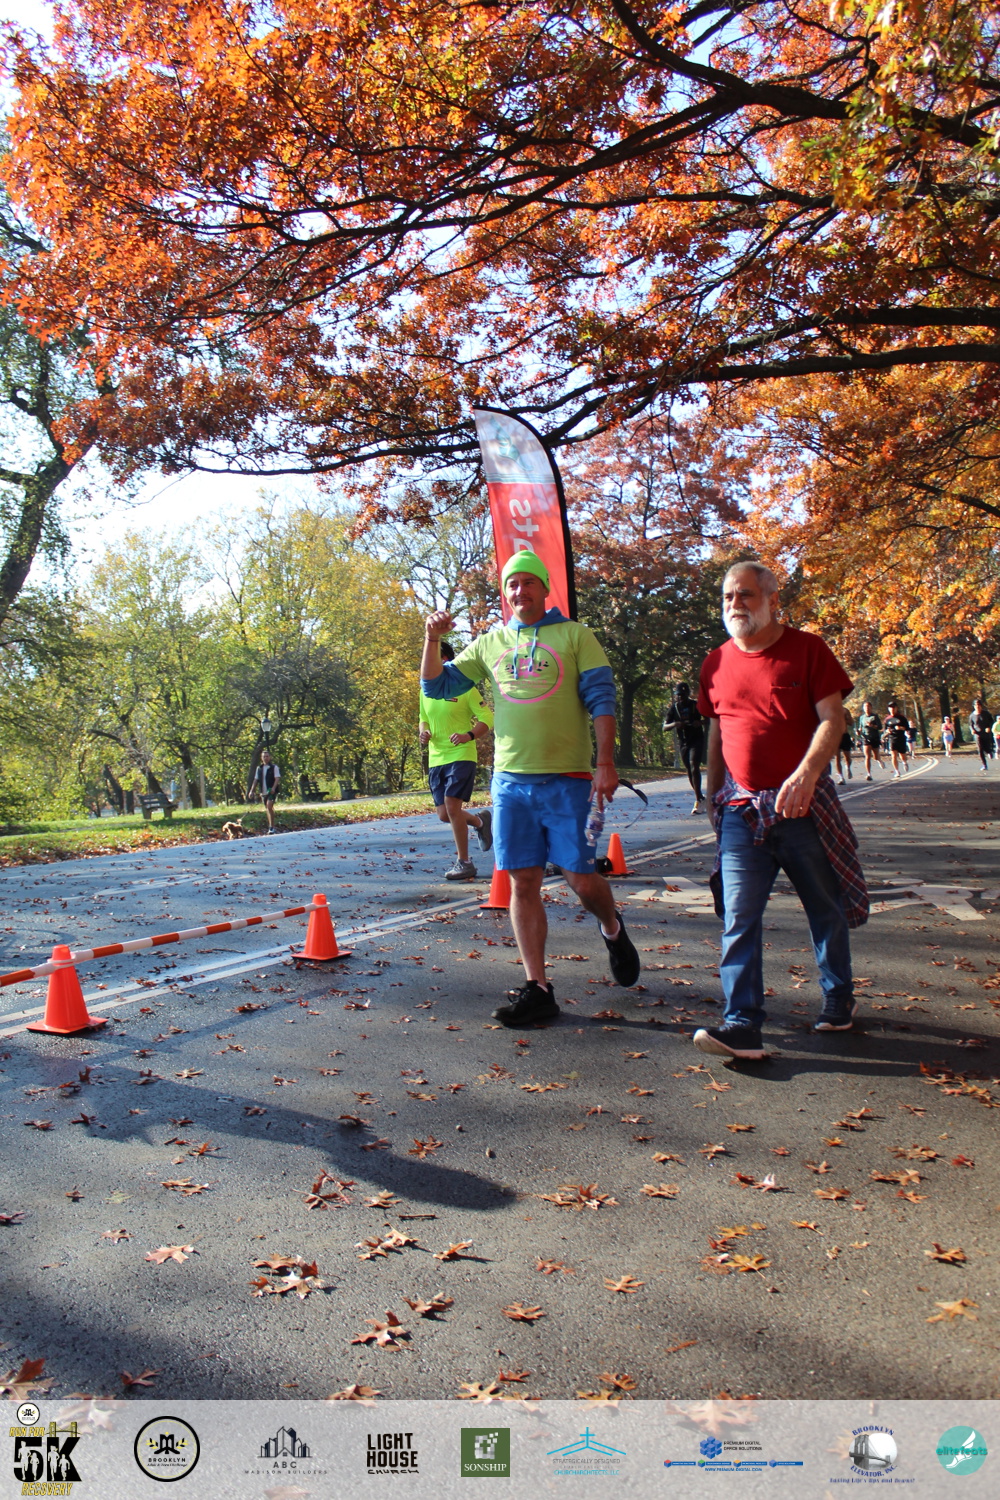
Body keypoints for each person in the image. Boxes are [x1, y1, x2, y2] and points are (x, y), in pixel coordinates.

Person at [420, 548, 640, 1026]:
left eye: (528, 582)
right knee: (522, 880)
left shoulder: (575, 635)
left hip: (568, 779)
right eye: (511, 584)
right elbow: (436, 687)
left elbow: (602, 699)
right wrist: (432, 639)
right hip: (511, 782)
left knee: (581, 879)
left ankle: (611, 927)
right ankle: (538, 988)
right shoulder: (490, 642)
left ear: (544, 587)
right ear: (506, 593)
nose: (519, 590)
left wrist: (605, 763)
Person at [693, 561, 868, 1060]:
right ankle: (742, 1023)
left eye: (745, 594)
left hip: (802, 805)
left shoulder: (808, 650)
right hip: (741, 809)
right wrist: (712, 792)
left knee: (825, 906)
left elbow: (833, 718)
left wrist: (808, 774)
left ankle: (838, 997)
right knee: (738, 916)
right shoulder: (715, 662)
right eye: (728, 596)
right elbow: (717, 730)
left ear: (772, 600)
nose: (735, 604)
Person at [419, 640, 495, 880]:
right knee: (444, 814)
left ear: (446, 660)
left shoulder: (464, 687)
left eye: (434, 657)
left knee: (452, 806)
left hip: (461, 754)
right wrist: (423, 732)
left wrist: (468, 735)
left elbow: (487, 717)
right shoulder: (425, 689)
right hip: (436, 757)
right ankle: (480, 822)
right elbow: (423, 717)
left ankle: (464, 862)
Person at [664, 682, 707, 813]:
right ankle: (700, 797)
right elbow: (665, 727)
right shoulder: (674, 708)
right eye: (678, 695)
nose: (680, 697)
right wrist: (675, 724)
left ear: (688, 694)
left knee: (694, 766)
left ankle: (698, 800)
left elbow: (709, 719)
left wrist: (699, 722)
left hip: (697, 739)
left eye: (683, 695)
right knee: (689, 769)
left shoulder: (695, 705)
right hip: (683, 742)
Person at [248, 747, 281, 832]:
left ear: (270, 757)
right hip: (263, 791)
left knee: (269, 806)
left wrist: (273, 788)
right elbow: (256, 780)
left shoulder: (274, 767)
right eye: (264, 756)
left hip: (271, 791)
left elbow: (277, 778)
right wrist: (252, 790)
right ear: (261, 758)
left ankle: (272, 827)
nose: (265, 758)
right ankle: (270, 824)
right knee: (267, 808)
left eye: (267, 756)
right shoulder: (259, 768)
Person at [856, 701, 884, 781]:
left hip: (874, 738)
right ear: (863, 708)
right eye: (865, 706)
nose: (867, 708)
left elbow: (880, 727)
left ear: (871, 707)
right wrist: (858, 732)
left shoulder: (875, 716)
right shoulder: (862, 717)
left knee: (875, 757)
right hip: (866, 738)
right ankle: (869, 774)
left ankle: (879, 760)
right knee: (867, 756)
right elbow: (860, 728)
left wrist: (872, 725)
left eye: (868, 706)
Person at [883, 701, 910, 778]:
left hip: (901, 737)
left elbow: (907, 728)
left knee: (902, 755)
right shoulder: (887, 719)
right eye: (890, 707)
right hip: (892, 738)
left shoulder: (902, 718)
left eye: (893, 707)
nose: (892, 709)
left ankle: (904, 762)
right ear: (888, 709)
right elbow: (885, 730)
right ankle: (897, 771)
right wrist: (887, 732)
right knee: (893, 755)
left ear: (896, 708)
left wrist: (900, 728)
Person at [970, 698, 995, 771]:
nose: (977, 706)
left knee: (987, 748)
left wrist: (988, 727)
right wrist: (972, 730)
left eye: (978, 705)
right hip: (978, 734)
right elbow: (971, 725)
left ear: (981, 706)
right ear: (974, 706)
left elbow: (991, 721)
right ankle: (984, 765)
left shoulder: (986, 713)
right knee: (980, 749)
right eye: (976, 705)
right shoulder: (972, 715)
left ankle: (989, 752)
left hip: (986, 733)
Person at [833, 705, 854, 784]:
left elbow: (851, 723)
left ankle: (848, 767)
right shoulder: (830, 709)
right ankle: (841, 777)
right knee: (837, 758)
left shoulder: (845, 710)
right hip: (835, 736)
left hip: (845, 735)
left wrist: (845, 719)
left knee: (847, 757)